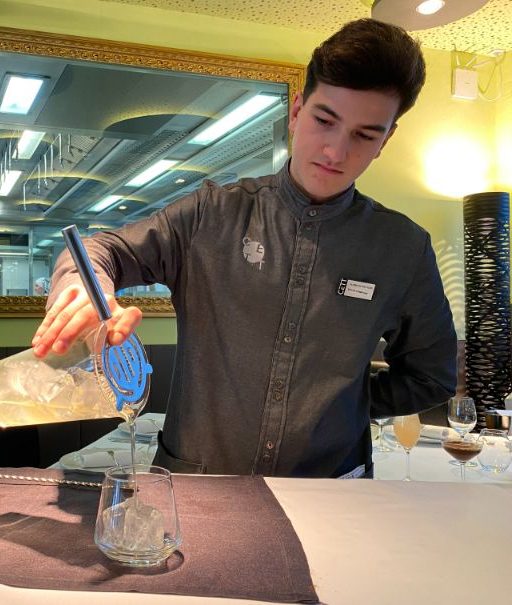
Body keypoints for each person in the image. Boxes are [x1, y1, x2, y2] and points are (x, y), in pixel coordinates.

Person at [31, 19, 457, 478]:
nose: (335, 151)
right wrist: (81, 286)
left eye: (364, 135)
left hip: (333, 490)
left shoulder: (403, 248)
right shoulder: (210, 214)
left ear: (385, 141)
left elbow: (431, 376)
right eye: (324, 120)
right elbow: (101, 250)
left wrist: (345, 403)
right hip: (198, 482)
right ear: (296, 112)